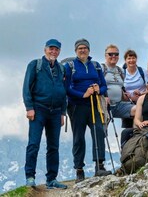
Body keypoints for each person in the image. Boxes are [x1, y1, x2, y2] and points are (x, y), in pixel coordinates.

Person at [23, 39, 68, 189]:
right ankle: (30, 177)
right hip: (38, 109)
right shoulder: (35, 65)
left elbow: (63, 92)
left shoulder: (61, 68)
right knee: (33, 143)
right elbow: (26, 88)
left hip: (55, 112)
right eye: (51, 49)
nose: (53, 52)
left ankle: (51, 179)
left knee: (53, 146)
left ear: (59, 51)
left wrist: (63, 112)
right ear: (45, 49)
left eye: (56, 49)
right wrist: (29, 107)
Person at [64, 39, 111, 181]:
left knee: (99, 131)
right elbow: (66, 88)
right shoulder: (70, 66)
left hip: (94, 104)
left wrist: (98, 89)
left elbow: (103, 86)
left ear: (89, 50)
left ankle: (99, 165)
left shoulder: (95, 66)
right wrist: (82, 94)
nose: (82, 50)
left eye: (85, 48)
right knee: (79, 136)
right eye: (80, 48)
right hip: (77, 106)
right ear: (75, 51)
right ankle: (79, 170)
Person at [103, 45, 136, 120]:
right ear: (105, 55)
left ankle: (136, 131)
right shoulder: (101, 68)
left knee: (138, 109)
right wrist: (102, 97)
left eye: (116, 54)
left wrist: (126, 96)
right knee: (103, 128)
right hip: (104, 105)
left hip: (118, 105)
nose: (114, 56)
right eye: (110, 54)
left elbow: (120, 88)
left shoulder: (120, 71)